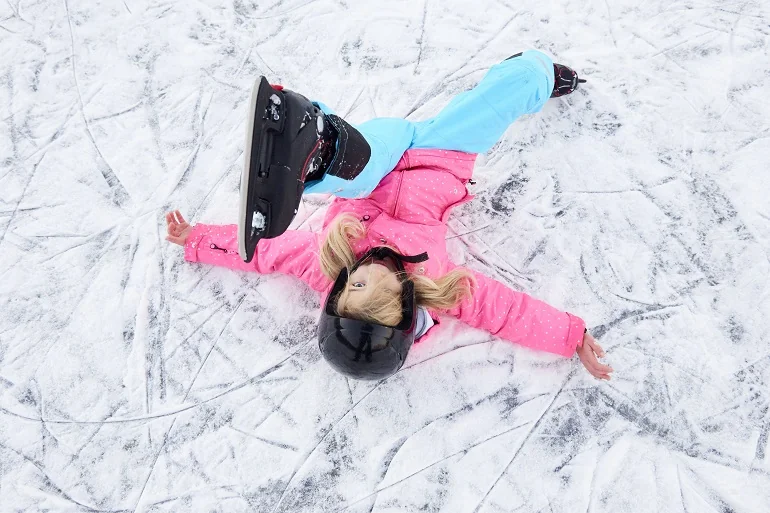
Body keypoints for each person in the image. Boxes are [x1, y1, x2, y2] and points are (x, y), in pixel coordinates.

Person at [165, 50, 612, 381]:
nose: (372, 270)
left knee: (359, 176)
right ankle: (542, 74)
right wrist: (570, 336)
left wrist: (198, 239)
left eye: (357, 283)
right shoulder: (437, 287)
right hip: (442, 153)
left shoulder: (325, 261)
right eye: (387, 287)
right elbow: (507, 311)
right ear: (406, 302)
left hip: (375, 161)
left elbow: (265, 253)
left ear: (339, 291)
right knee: (516, 87)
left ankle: (320, 148)